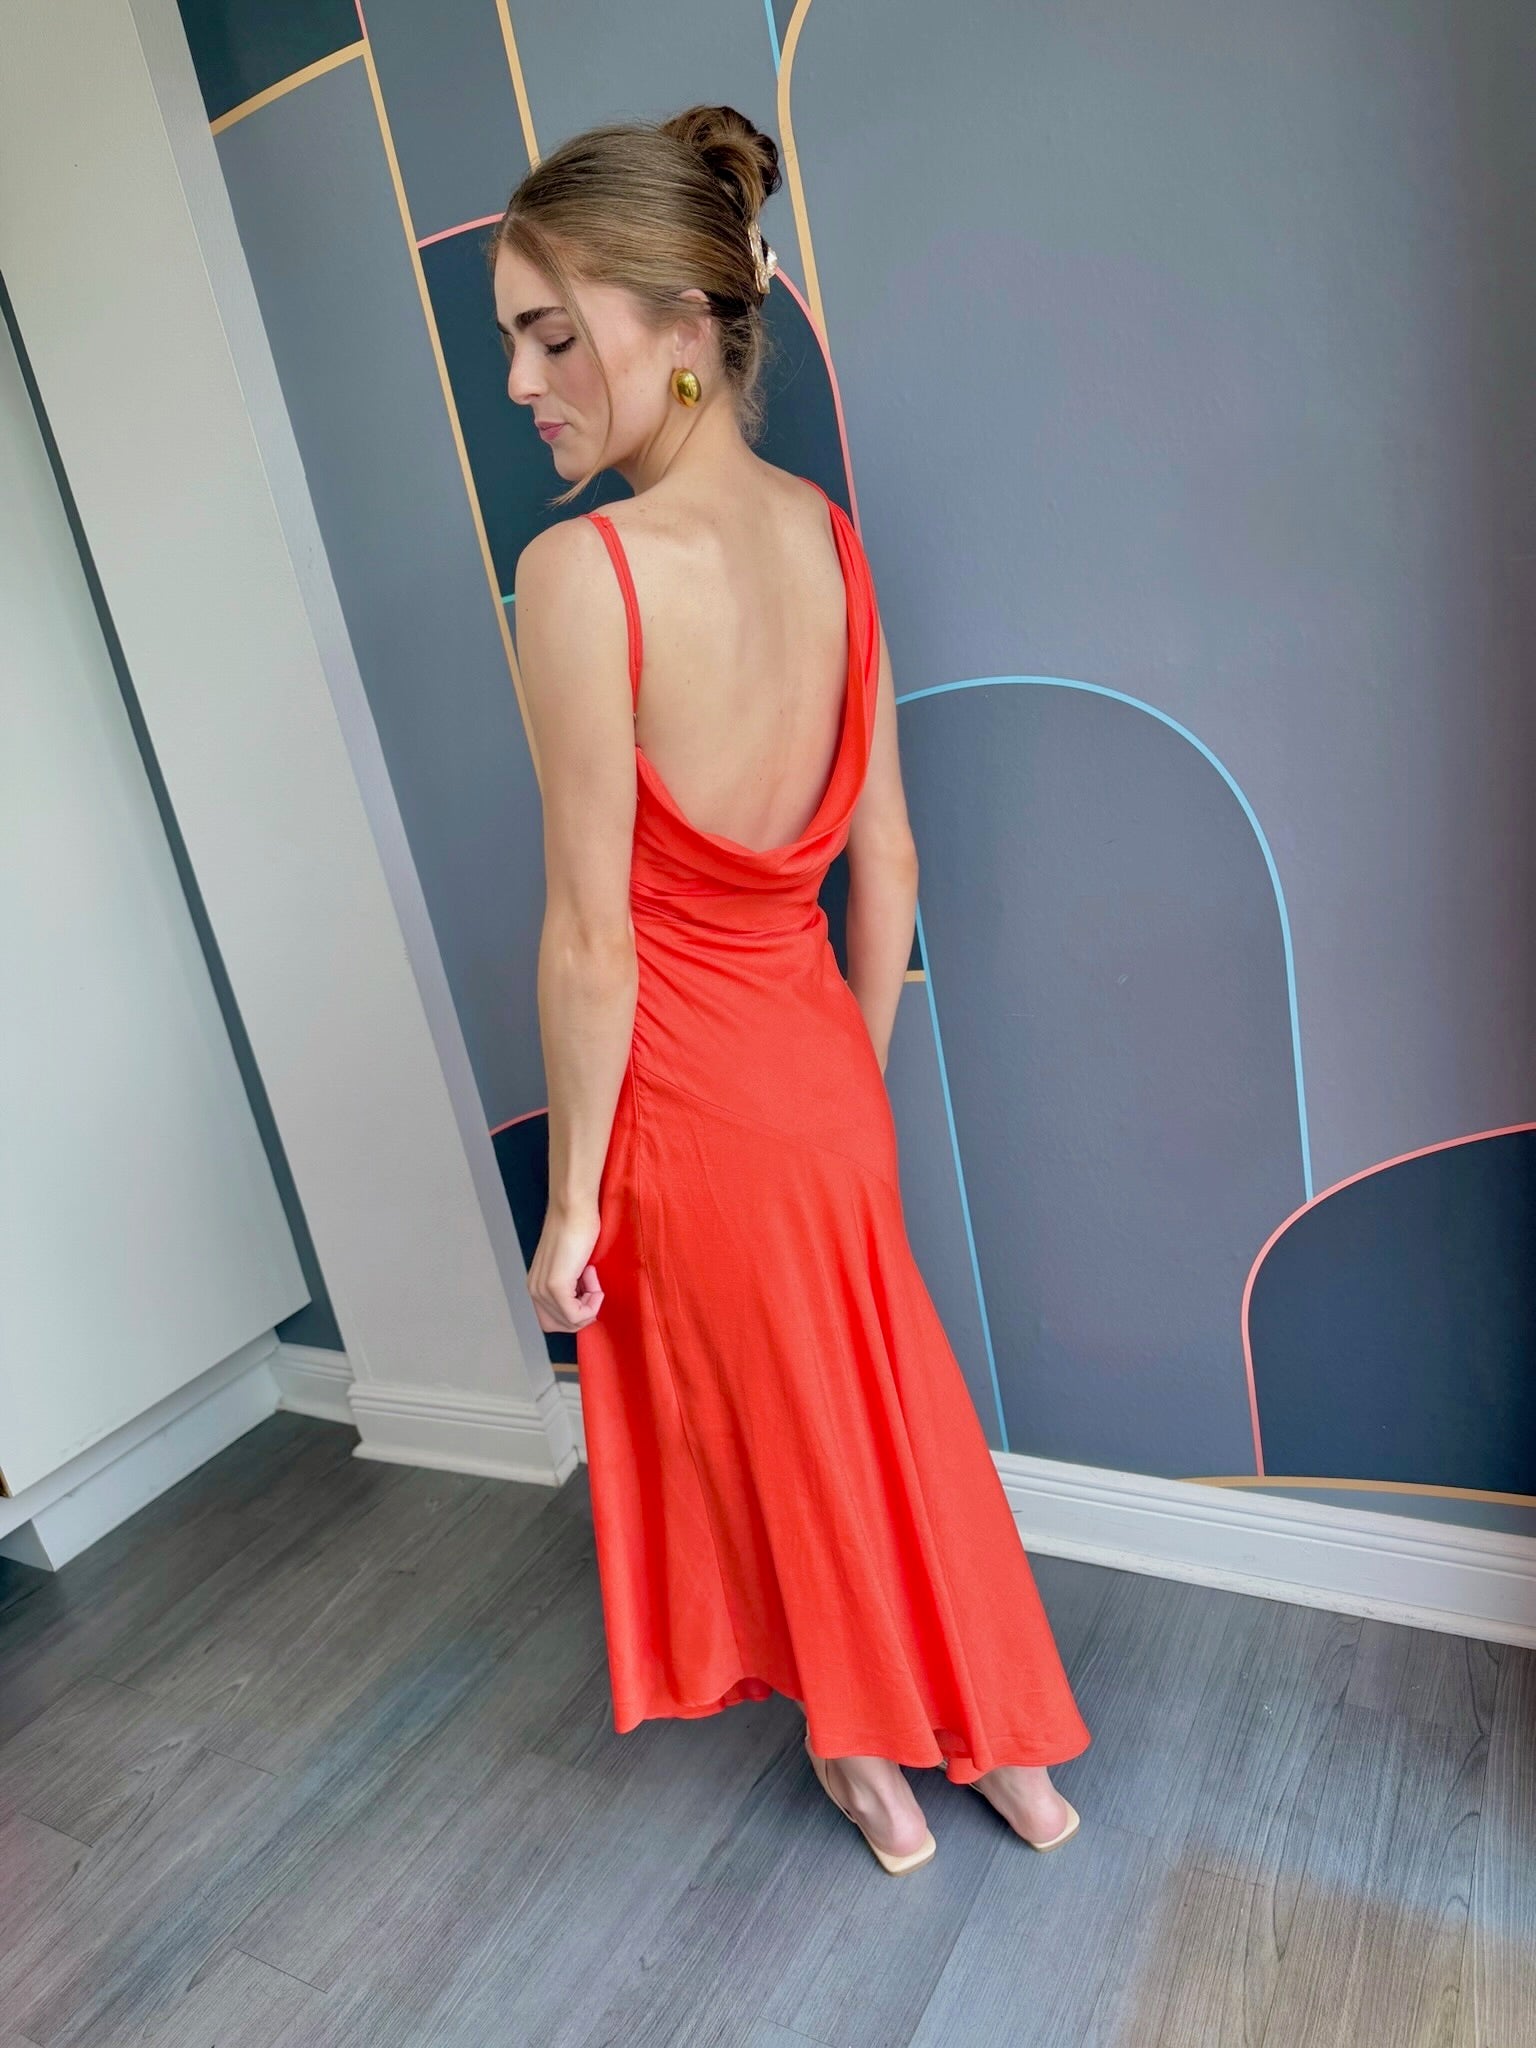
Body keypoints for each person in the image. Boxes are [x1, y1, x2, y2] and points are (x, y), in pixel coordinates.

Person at [493, 103, 1090, 1875]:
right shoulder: (828, 537)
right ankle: (1015, 1756)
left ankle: (870, 1764)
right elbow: (886, 861)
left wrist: (572, 1200)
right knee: (889, 1417)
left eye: (553, 336)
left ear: (685, 326)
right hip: (821, 1071)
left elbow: (592, 937)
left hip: (685, 1096)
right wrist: (849, 1077)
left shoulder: (581, 573)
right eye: (514, 343)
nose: (524, 382)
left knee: (783, 1443)